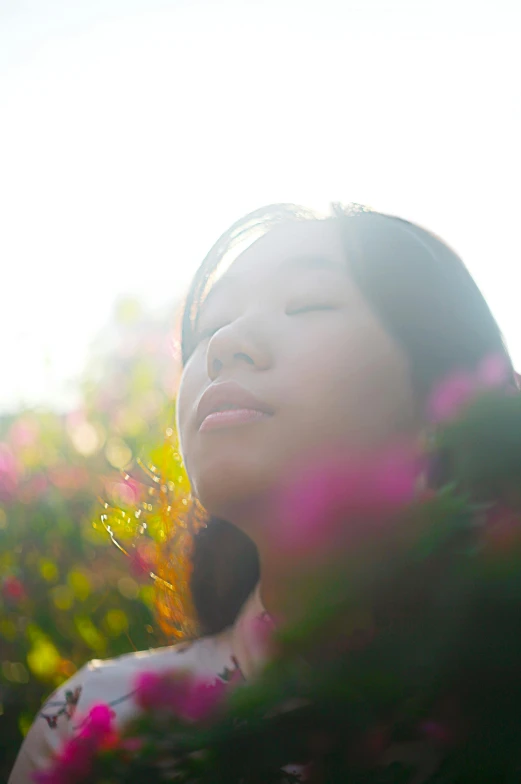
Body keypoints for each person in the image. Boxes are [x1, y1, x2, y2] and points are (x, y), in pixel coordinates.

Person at [8, 203, 515, 783]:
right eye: (207, 330)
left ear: (449, 396)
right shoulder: (94, 727)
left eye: (307, 303)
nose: (224, 345)